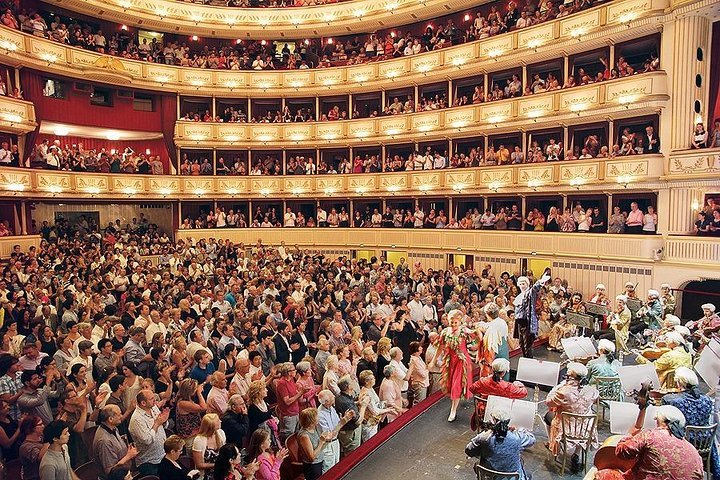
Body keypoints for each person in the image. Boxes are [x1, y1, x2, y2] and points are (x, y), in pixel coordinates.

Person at [592, 405, 703, 480]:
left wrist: (630, 434)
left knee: (603, 474)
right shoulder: (692, 449)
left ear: (658, 420)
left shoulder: (649, 435)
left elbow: (622, 452)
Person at [545, 362, 599, 473]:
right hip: (585, 428)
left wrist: (558, 386)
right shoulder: (592, 391)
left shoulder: (563, 392)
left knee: (548, 416)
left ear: (571, 378)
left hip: (566, 428)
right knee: (581, 419)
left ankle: (552, 443)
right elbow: (594, 397)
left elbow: (549, 402)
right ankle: (576, 454)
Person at [465, 406, 536, 480]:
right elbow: (532, 439)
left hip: (489, 476)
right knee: (527, 473)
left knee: (477, 465)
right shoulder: (517, 437)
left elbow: (468, 450)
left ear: (494, 420)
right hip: (512, 477)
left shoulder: (484, 437)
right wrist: (518, 430)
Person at [433, 309, 477, 422]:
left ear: (460, 321)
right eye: (451, 322)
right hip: (450, 362)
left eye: (455, 322)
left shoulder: (464, 331)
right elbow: (440, 347)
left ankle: (453, 410)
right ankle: (454, 405)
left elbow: (477, 337)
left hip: (461, 361)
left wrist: (475, 350)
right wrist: (433, 361)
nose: (453, 325)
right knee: (451, 384)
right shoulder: (445, 332)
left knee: (456, 385)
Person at [468, 359, 527, 431]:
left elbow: (472, 389)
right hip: (501, 415)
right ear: (503, 373)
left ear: (492, 370)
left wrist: (483, 394)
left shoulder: (483, 381)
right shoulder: (508, 386)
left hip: (483, 414)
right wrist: (520, 385)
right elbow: (524, 393)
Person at [296, 408, 347, 480]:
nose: (318, 418)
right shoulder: (304, 436)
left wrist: (341, 424)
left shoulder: (316, 427)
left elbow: (328, 437)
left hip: (321, 460)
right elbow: (312, 458)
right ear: (311, 420)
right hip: (313, 467)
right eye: (316, 417)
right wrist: (321, 442)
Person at [128, 389, 170, 475]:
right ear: (143, 403)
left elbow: (163, 426)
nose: (155, 400)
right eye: (151, 399)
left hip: (162, 455)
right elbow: (147, 440)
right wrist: (157, 424)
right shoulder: (136, 419)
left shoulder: (153, 408)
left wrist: (164, 421)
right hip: (149, 462)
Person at [513, 272, 552, 358]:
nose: (522, 285)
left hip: (527, 322)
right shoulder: (519, 296)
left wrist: (540, 281)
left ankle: (528, 360)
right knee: (521, 343)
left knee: (528, 344)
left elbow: (534, 289)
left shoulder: (530, 293)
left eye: (524, 284)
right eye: (520, 284)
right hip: (519, 322)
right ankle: (525, 358)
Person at [93, 405, 138, 479]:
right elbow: (110, 471)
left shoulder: (114, 428)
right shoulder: (104, 441)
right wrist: (128, 456)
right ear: (110, 419)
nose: (121, 416)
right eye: (119, 414)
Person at [192, 413, 225, 480]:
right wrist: (217, 465)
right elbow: (199, 465)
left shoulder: (221, 433)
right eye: (218, 421)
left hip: (221, 473)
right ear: (212, 426)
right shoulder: (199, 440)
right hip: (205, 475)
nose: (220, 421)